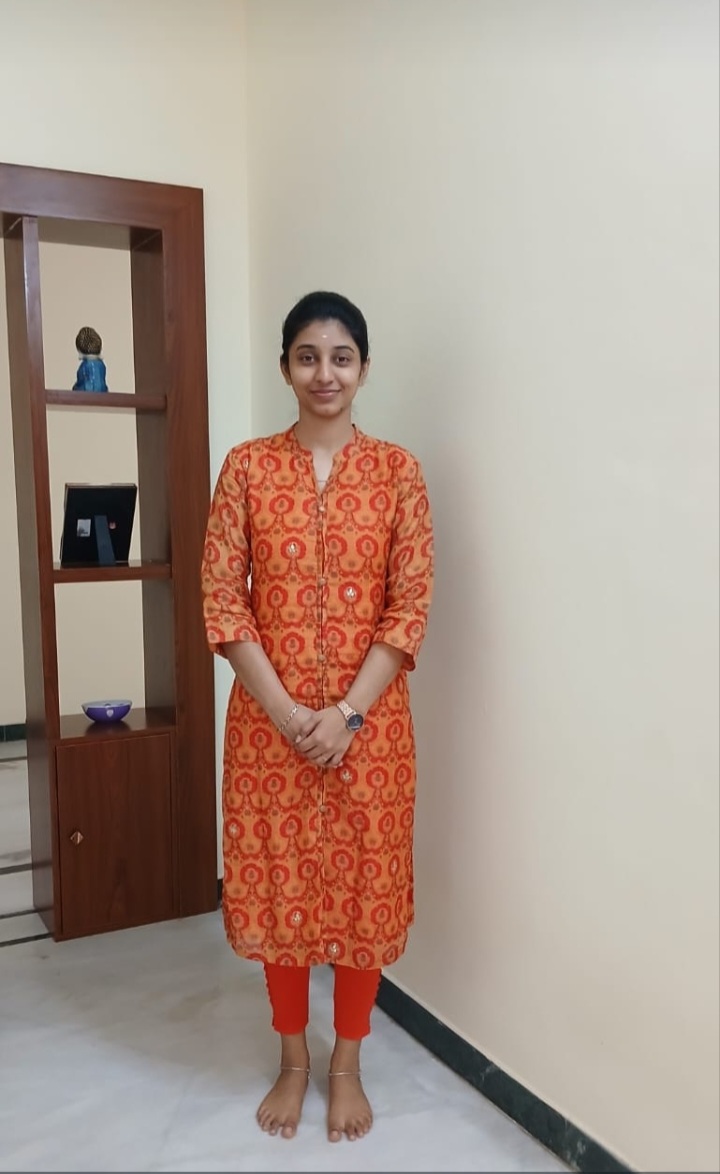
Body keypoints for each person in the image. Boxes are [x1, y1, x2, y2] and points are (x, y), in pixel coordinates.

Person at [201, 291, 434, 1143]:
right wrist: (291, 714)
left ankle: (347, 1064)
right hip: (269, 734)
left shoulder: (399, 473)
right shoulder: (247, 469)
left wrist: (346, 716)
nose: (324, 373)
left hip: (371, 734)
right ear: (285, 368)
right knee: (280, 888)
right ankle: (295, 1058)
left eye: (341, 357)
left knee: (364, 891)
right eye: (307, 356)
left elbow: (409, 608)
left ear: (363, 369)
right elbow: (223, 600)